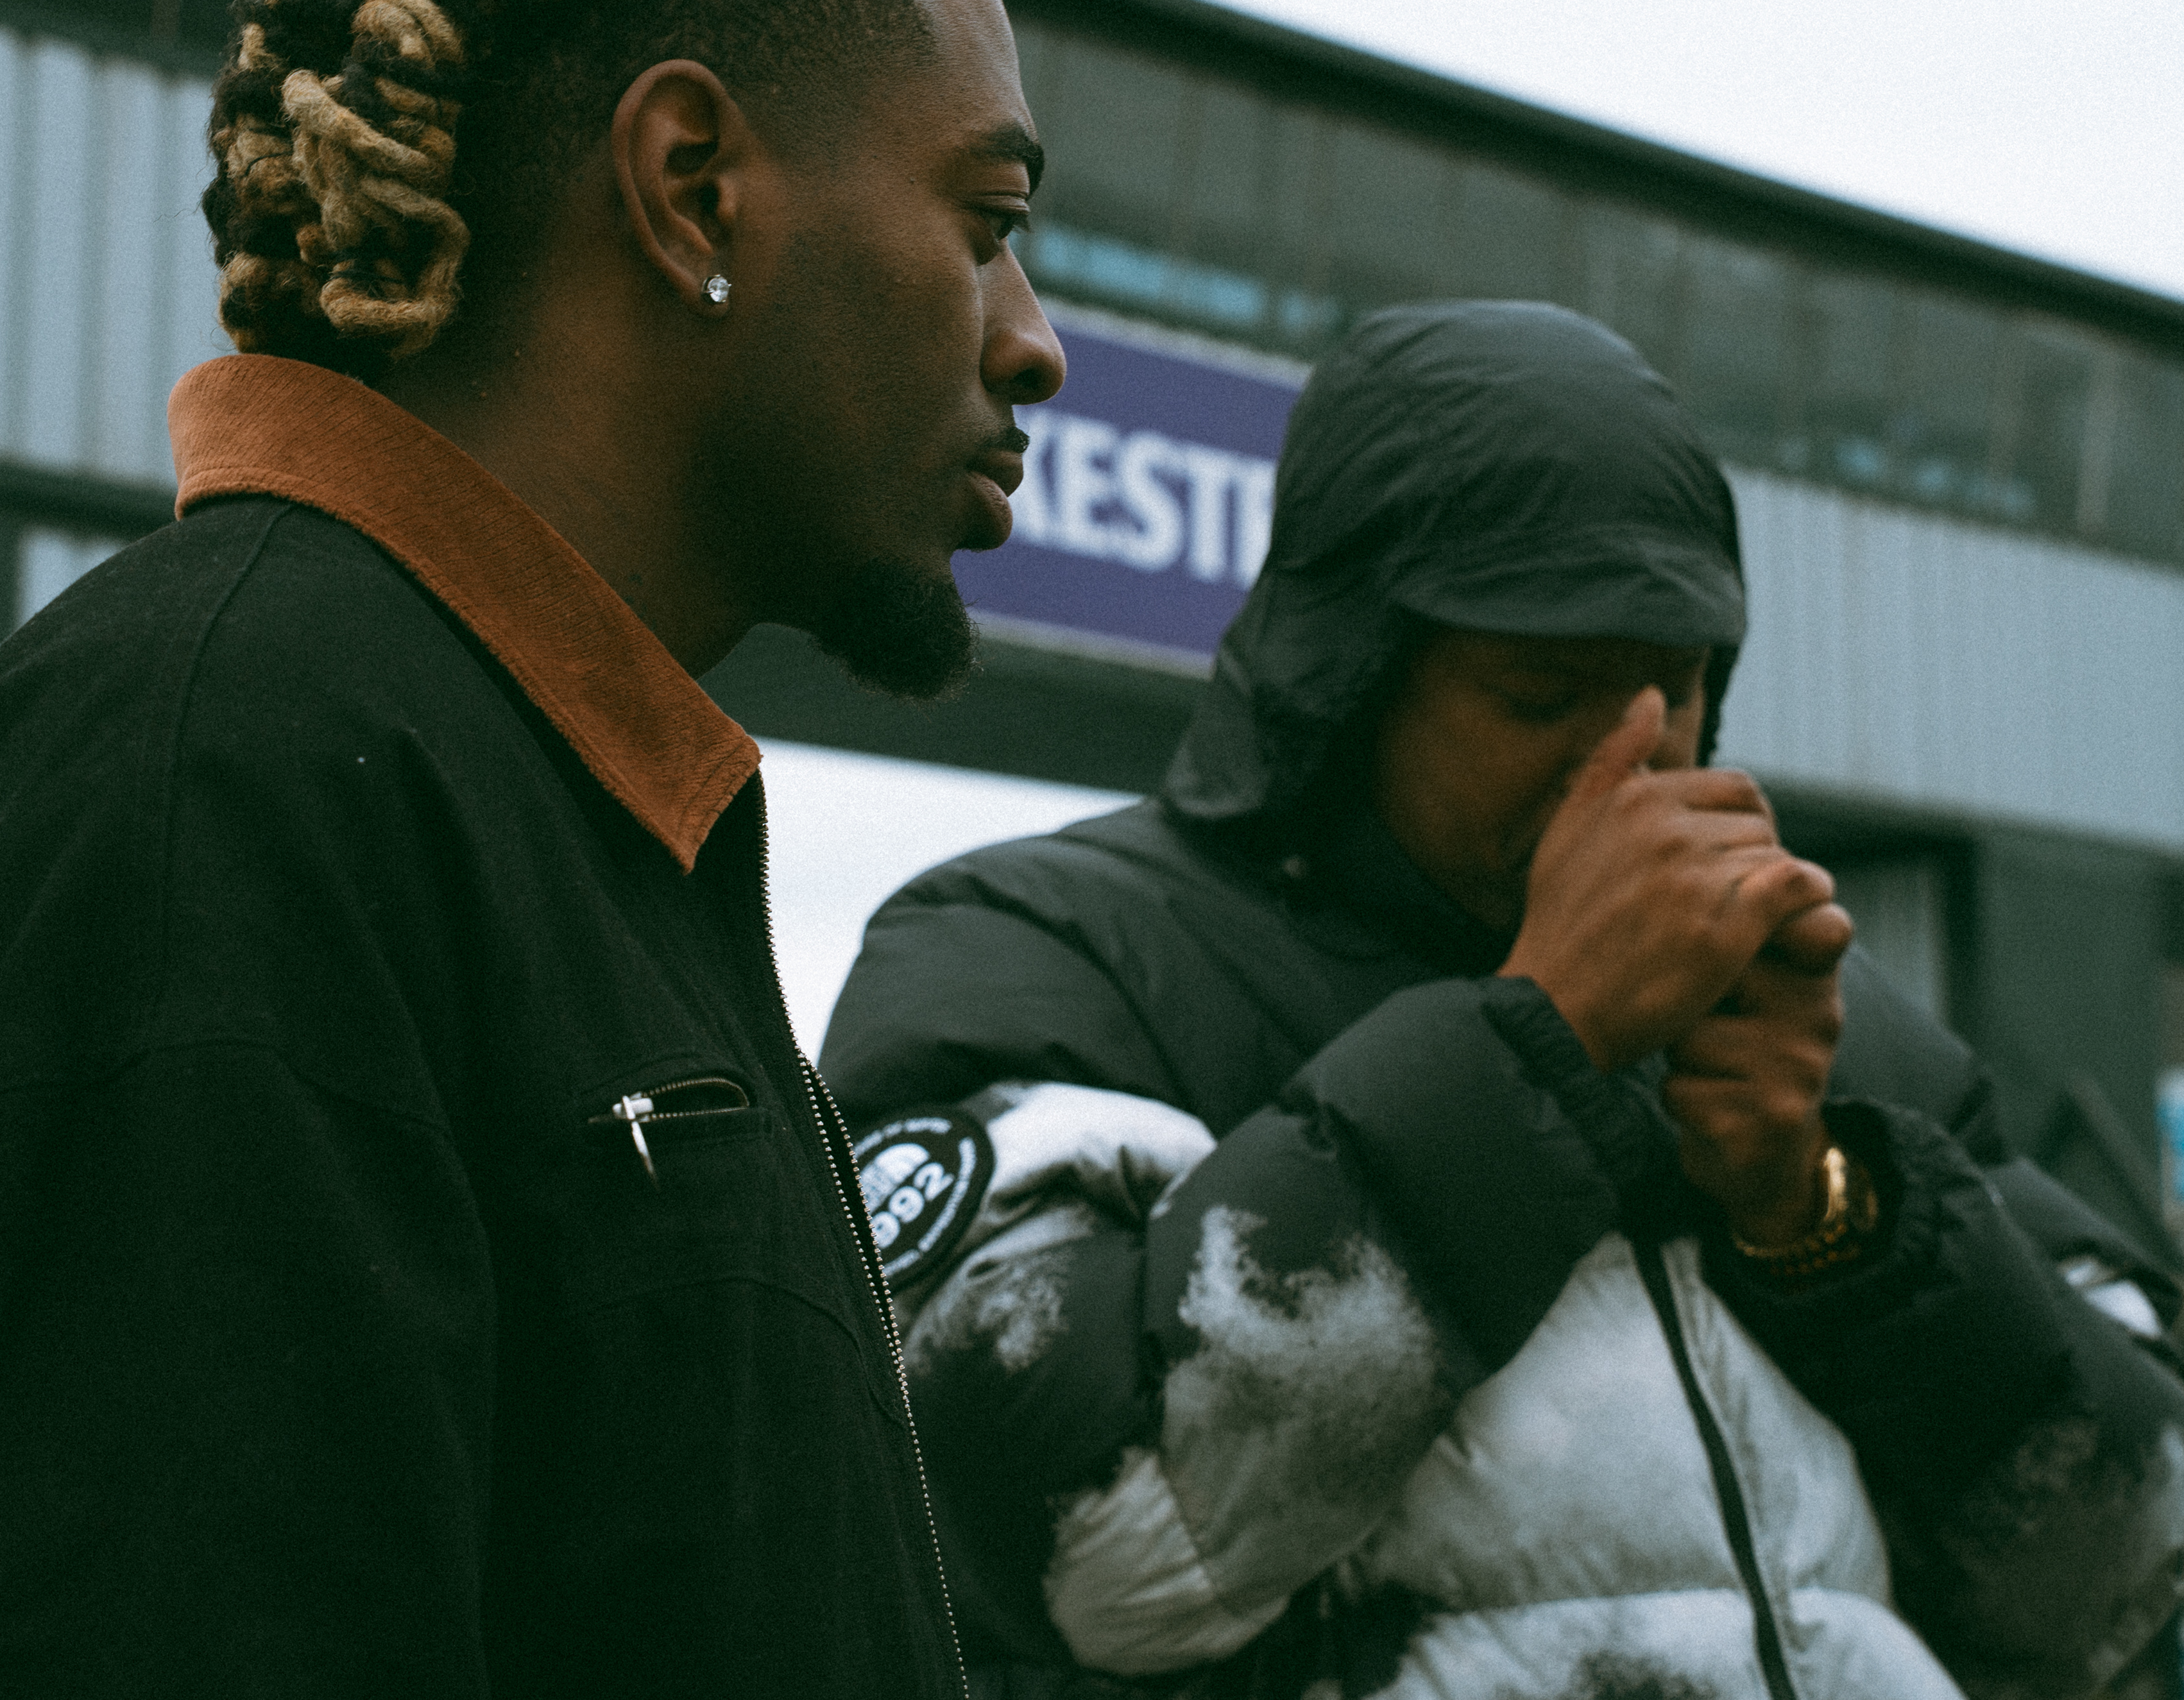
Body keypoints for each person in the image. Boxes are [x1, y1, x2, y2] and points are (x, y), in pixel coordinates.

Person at [0, 0, 1061, 1693]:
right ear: (692, 190)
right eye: (987, 219)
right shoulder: (214, 788)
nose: (1032, 342)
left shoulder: (524, 799)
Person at [822, 300, 2184, 1700]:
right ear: (1345, 674)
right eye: (1542, 696)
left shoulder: (1831, 1026)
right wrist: (1539, 1050)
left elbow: (2128, 1574)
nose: (1630, 764)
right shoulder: (1040, 951)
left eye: (1677, 689)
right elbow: (1077, 1549)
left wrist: (1824, 1210)